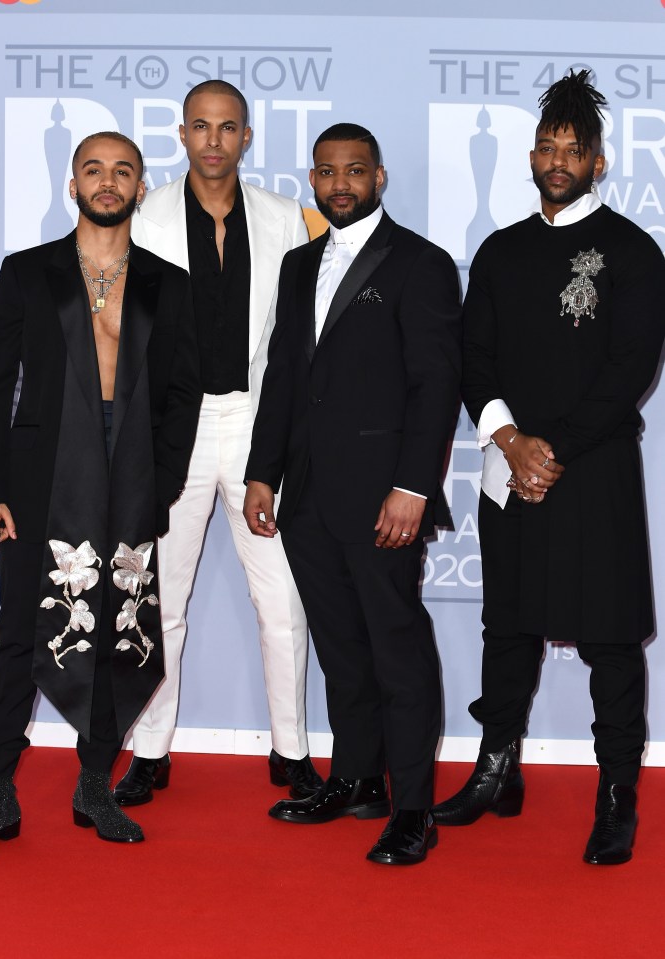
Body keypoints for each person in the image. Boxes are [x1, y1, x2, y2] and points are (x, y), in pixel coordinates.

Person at [0, 132, 201, 854]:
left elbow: (183, 395)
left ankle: (94, 784)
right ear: (73, 183)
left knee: (117, 631)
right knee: (21, 637)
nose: (108, 181)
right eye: (94, 169)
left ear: (141, 187)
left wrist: (167, 482)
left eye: (123, 170)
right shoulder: (28, 272)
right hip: (38, 478)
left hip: (133, 473)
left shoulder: (166, 283)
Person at [432, 70, 665, 865]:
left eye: (576, 149)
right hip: (510, 468)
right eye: (549, 146)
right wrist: (509, 441)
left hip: (591, 471)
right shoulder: (500, 250)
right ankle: (496, 769)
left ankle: (617, 795)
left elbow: (631, 365)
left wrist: (552, 448)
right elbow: (475, 358)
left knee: (608, 641)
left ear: (599, 161)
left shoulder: (634, 251)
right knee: (509, 628)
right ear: (531, 156)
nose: (559, 159)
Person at [243, 123, 462, 865]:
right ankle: (358, 777)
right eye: (329, 172)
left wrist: (412, 486)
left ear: (380, 177)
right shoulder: (299, 265)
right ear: (313, 179)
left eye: (356, 171)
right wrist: (260, 472)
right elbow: (282, 377)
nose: (342, 183)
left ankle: (413, 807)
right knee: (341, 648)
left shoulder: (422, 264)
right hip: (305, 496)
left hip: (382, 498)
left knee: (395, 648)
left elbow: (436, 384)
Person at [114, 80, 321, 807]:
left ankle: (291, 750)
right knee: (157, 599)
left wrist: (286, 440)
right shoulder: (145, 218)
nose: (213, 140)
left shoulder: (284, 220)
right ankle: (150, 750)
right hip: (173, 433)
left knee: (284, 602)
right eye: (200, 127)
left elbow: (294, 343)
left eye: (227, 127)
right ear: (181, 134)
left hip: (258, 427)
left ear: (246, 137)